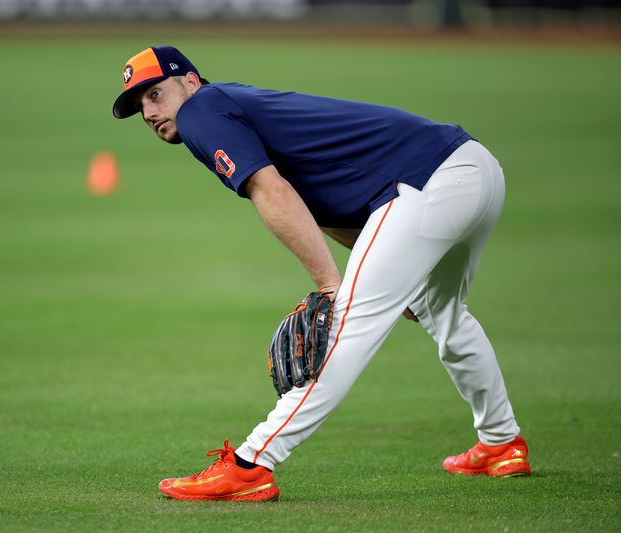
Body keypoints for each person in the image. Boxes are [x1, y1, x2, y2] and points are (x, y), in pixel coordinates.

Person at [112, 46, 532, 502]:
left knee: (344, 327)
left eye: (155, 94)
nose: (149, 111)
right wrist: (395, 274)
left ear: (190, 82)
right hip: (472, 168)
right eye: (139, 106)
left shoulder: (201, 111)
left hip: (425, 182)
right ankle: (500, 443)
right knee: (443, 312)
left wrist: (331, 285)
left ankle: (251, 465)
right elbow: (319, 206)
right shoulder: (232, 106)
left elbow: (271, 192)